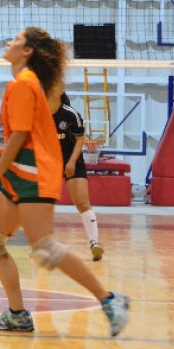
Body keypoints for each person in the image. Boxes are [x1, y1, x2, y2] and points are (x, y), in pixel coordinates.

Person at [0, 27, 130, 337]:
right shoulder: (21, 83)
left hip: (35, 173)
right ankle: (17, 314)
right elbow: (9, 139)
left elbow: (19, 136)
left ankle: (110, 301)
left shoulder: (25, 84)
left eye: (14, 39)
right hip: (19, 173)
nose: (8, 42)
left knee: (44, 248)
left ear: (27, 51)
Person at [48, 87, 104, 261]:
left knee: (81, 201)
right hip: (50, 162)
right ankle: (42, 244)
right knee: (42, 203)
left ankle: (95, 243)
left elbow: (80, 140)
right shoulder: (40, 113)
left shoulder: (71, 114)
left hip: (73, 160)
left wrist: (71, 162)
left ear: (60, 90)